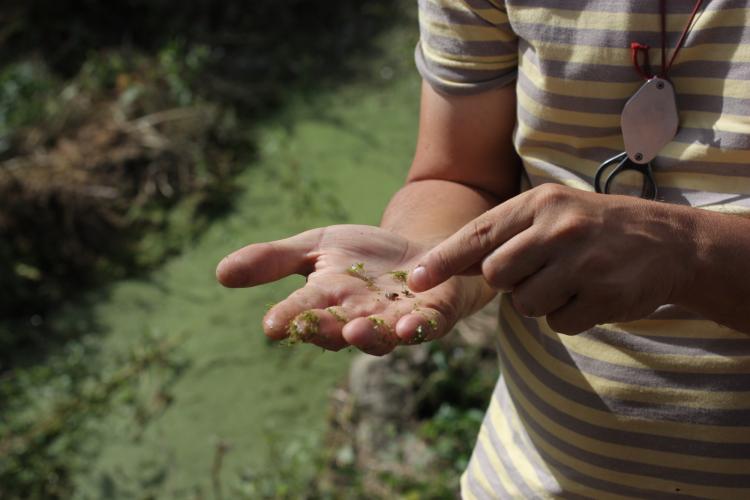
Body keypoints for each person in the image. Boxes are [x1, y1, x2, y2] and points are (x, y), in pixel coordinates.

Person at [217, 0, 750, 497]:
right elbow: (460, 172)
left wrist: (689, 254)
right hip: (525, 475)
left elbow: (683, 253)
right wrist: (430, 253)